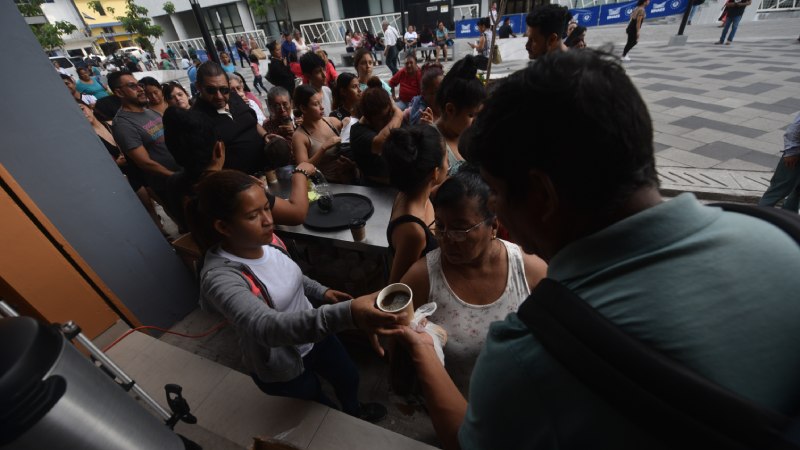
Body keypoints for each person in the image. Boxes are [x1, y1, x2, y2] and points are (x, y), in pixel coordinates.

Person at [391, 48, 800, 450]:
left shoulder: (527, 357)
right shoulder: (784, 239)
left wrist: (424, 350)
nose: (495, 212)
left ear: (541, 195)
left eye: (496, 194)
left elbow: (466, 441)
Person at [192, 170, 397, 423]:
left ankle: (354, 411)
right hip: (281, 361)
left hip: (316, 336)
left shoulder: (269, 240)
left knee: (348, 376)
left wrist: (321, 291)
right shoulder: (219, 278)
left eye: (267, 208)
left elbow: (292, 275)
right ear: (223, 226)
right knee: (315, 403)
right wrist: (349, 313)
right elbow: (266, 327)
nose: (268, 220)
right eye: (253, 215)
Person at [400, 167, 546, 394]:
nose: (447, 239)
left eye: (460, 229)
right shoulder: (422, 278)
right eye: (440, 226)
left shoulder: (530, 271)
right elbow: (398, 342)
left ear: (493, 226)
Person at [108, 70, 183, 225]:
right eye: (132, 86)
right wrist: (175, 177)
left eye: (139, 84)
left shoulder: (149, 112)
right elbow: (144, 162)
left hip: (183, 174)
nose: (140, 89)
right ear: (119, 92)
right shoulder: (123, 124)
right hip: (169, 185)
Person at [382, 125, 448, 284]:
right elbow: (396, 286)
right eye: (446, 159)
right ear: (434, 172)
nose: (448, 164)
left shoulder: (414, 191)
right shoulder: (413, 232)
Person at [188, 62, 274, 175]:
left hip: (267, 170)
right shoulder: (195, 120)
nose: (219, 96)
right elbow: (207, 168)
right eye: (211, 90)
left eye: (223, 89)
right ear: (198, 87)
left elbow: (252, 123)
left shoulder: (234, 97)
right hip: (242, 184)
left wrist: (265, 135)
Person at [292, 85, 358, 184]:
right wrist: (323, 148)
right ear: (303, 108)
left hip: (351, 180)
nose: (322, 107)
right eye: (316, 104)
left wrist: (347, 125)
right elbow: (303, 170)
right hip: (328, 186)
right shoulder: (300, 136)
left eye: (321, 102)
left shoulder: (332, 122)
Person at [435, 56, 486, 175]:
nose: (476, 121)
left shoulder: (470, 136)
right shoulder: (433, 145)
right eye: (471, 115)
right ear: (451, 109)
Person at [350, 77, 403, 186]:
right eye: (383, 118)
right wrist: (398, 114)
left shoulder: (391, 121)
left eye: (389, 114)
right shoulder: (358, 132)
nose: (388, 119)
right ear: (369, 118)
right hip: (374, 189)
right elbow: (380, 143)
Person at [758, 113, 800, 212]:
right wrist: (791, 152)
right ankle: (759, 215)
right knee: (779, 188)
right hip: (796, 156)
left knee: (798, 191)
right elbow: (794, 129)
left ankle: (788, 217)